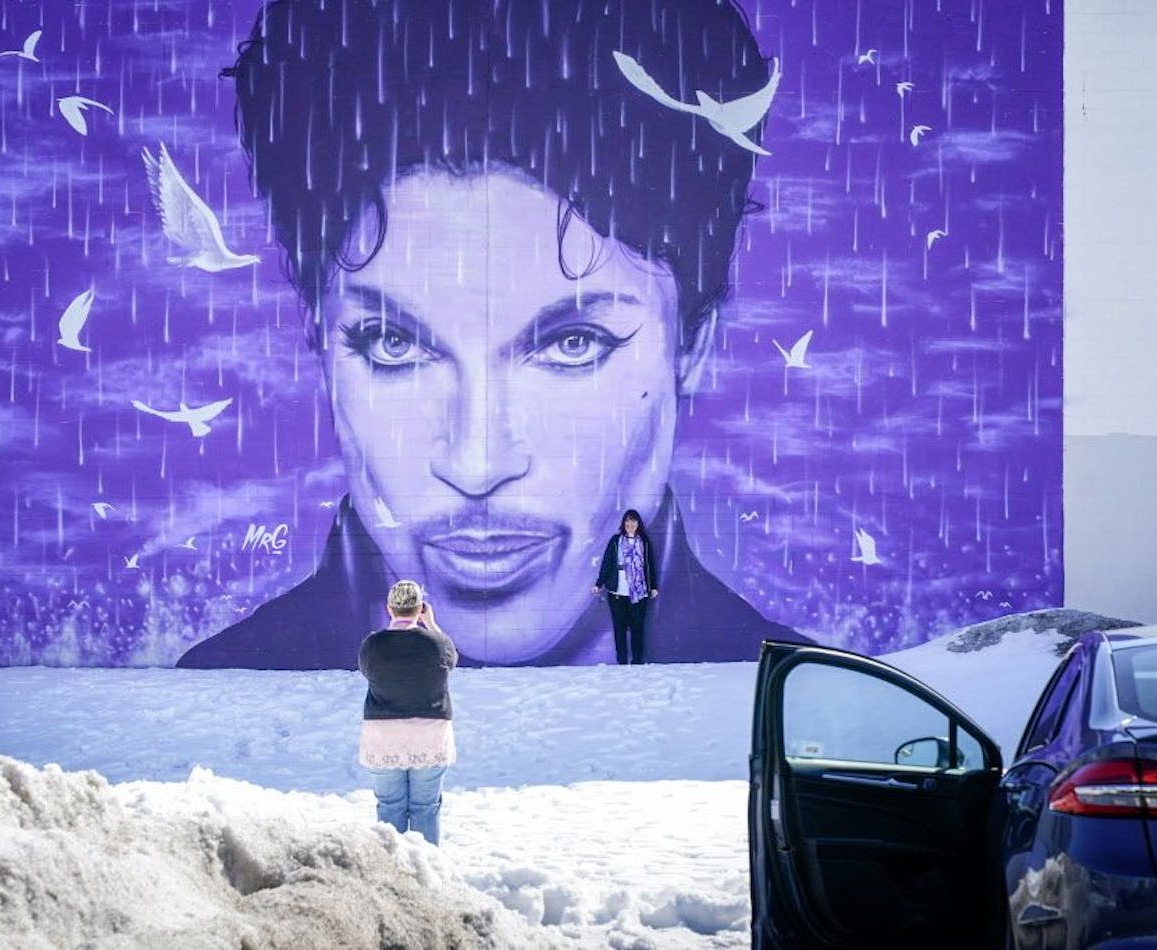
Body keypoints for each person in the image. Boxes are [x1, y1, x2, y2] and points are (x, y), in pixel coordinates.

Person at [177, 0, 814, 670]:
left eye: (574, 344)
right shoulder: (217, 696)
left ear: (693, 347)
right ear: (320, 345)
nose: (477, 464)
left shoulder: (800, 705)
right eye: (393, 345)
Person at [358, 580, 458, 846]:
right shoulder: (436, 643)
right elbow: (452, 659)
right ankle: (427, 874)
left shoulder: (373, 644)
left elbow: (366, 670)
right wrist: (431, 624)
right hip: (430, 736)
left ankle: (393, 872)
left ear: (390, 609)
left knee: (390, 806)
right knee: (426, 807)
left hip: (383, 737)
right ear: (419, 609)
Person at [593, 510, 658, 665]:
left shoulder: (644, 542)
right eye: (627, 521)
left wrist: (653, 586)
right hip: (617, 592)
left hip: (639, 592)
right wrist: (598, 583)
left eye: (633, 521)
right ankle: (621, 661)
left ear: (638, 524)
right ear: (623, 523)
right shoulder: (616, 541)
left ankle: (637, 661)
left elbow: (649, 565)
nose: (630, 524)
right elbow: (607, 564)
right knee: (619, 628)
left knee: (637, 628)